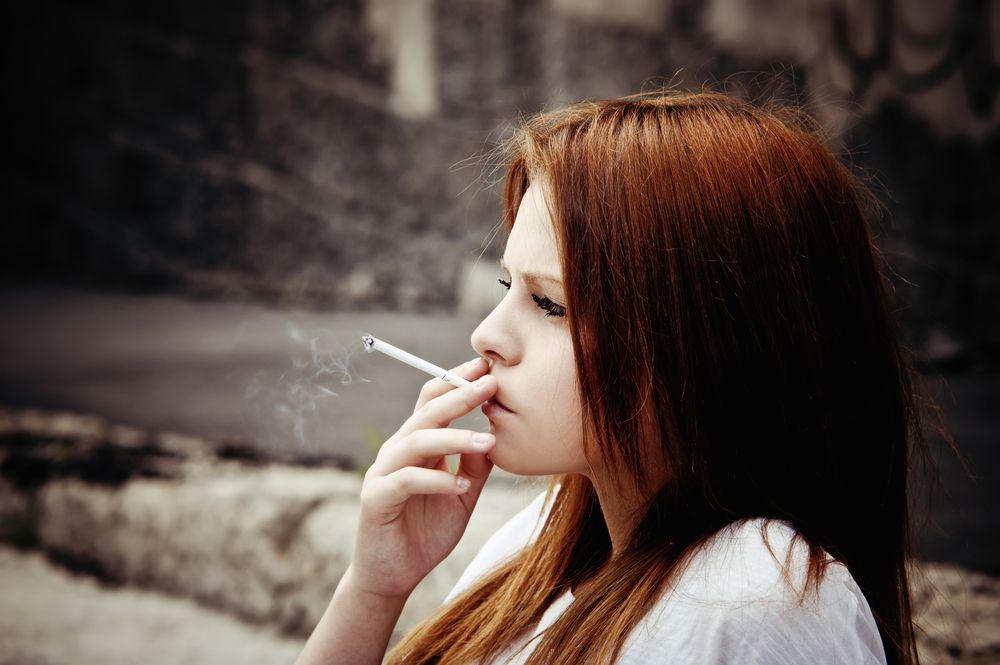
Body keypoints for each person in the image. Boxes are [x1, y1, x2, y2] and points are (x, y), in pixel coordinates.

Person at [295, 91, 932, 664]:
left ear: (706, 340)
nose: (486, 335)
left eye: (550, 304)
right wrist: (374, 587)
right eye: (506, 286)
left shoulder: (758, 595)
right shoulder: (539, 544)